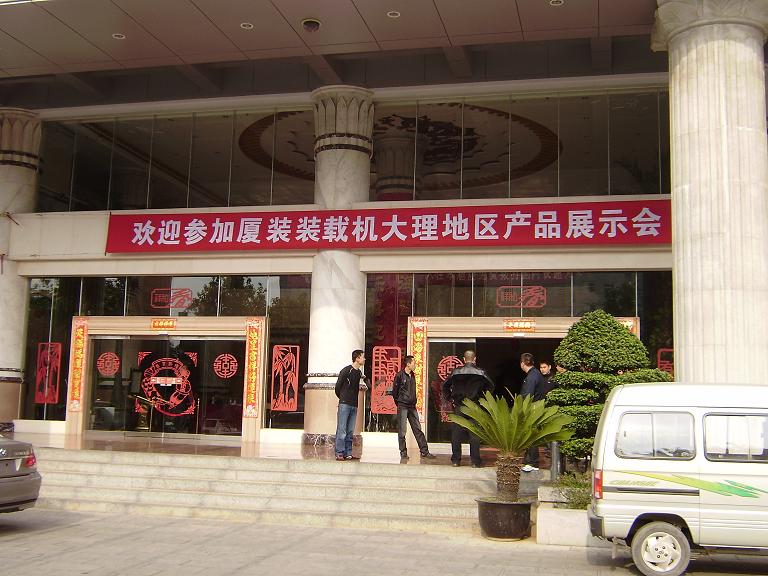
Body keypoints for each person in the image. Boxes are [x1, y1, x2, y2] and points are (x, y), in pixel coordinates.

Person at [442, 350, 494, 468]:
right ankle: (475, 461)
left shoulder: (456, 372)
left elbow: (445, 386)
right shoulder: (481, 372)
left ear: (464, 359)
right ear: (474, 359)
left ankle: (456, 460)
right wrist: (481, 399)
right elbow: (490, 387)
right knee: (474, 434)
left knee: (456, 434)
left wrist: (450, 398)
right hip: (474, 406)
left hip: (459, 405)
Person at [390, 355, 437, 461]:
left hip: (412, 406)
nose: (415, 365)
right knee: (402, 431)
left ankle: (424, 451)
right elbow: (395, 392)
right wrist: (399, 402)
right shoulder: (399, 375)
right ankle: (403, 452)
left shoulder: (412, 375)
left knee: (417, 429)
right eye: (414, 363)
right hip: (403, 405)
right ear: (408, 364)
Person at [334, 349, 366, 461]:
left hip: (354, 404)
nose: (364, 359)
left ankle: (348, 453)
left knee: (350, 430)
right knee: (342, 429)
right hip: (345, 404)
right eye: (362, 357)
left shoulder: (358, 373)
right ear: (357, 358)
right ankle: (339, 452)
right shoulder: (346, 370)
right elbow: (337, 387)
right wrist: (343, 398)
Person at [520, 352, 548, 472]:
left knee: (531, 435)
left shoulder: (532, 377)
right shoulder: (536, 374)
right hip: (537, 407)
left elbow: (528, 395)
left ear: (522, 363)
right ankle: (530, 460)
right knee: (531, 435)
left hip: (533, 408)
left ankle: (532, 462)